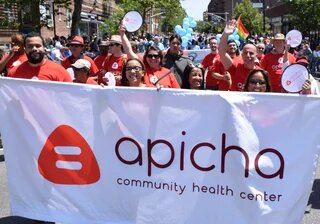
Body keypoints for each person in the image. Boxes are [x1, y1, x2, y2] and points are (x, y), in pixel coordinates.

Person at [219, 20, 262, 91]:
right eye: (245, 53)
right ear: (241, 55)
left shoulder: (260, 73)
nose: (248, 55)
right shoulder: (236, 67)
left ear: (256, 55)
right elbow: (222, 53)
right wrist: (225, 34)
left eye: (251, 53)